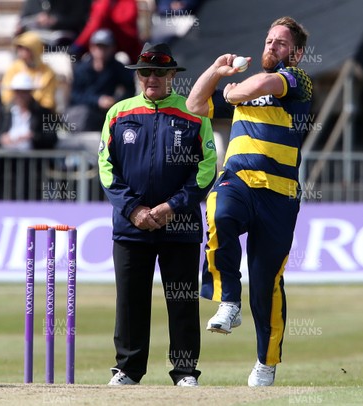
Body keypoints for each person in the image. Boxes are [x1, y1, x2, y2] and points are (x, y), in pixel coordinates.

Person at [185, 16, 313, 386]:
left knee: (266, 283)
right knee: (219, 213)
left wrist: (229, 90)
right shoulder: (244, 86)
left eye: (281, 43)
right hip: (239, 179)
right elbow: (194, 104)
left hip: (279, 195)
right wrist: (215, 70)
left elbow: (257, 86)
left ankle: (265, 363)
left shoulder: (296, 81)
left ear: (297, 53)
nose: (271, 47)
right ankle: (228, 300)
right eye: (269, 41)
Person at [98, 43, 217, 386]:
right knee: (131, 300)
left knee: (181, 299)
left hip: (178, 224)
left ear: (171, 77)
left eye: (159, 73)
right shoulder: (119, 113)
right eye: (145, 72)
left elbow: (207, 167)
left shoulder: (194, 112)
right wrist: (133, 209)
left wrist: (172, 207)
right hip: (131, 225)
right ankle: (128, 369)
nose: (151, 78)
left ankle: (184, 372)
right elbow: (106, 167)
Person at [0, 72, 58, 200]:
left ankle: (25, 207)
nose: (21, 95)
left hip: (30, 158)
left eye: (24, 91)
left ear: (30, 92)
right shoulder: (2, 110)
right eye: (18, 91)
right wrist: (1, 138)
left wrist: (33, 136)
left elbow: (52, 137)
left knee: (25, 177)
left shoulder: (42, 113)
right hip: (5, 156)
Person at [67, 29, 135, 132]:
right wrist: (97, 100)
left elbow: (130, 89)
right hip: (85, 112)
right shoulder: (81, 69)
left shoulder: (118, 68)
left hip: (109, 111)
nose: (101, 50)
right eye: (98, 46)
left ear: (112, 48)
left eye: (105, 47)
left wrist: (116, 102)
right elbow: (75, 95)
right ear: (91, 48)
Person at [69, 0, 142, 65]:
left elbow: (96, 22)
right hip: (129, 52)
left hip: (120, 52)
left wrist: (78, 45)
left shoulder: (124, 3)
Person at [1, 31, 57, 111]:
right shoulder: (13, 68)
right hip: (15, 110)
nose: (21, 52)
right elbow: (6, 95)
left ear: (35, 50)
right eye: (19, 48)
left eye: (26, 48)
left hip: (39, 113)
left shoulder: (47, 72)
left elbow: (48, 101)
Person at [16, 0, 90, 46]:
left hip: (64, 42)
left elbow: (78, 20)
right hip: (38, 43)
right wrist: (36, 19)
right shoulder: (32, 2)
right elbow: (23, 20)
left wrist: (55, 21)